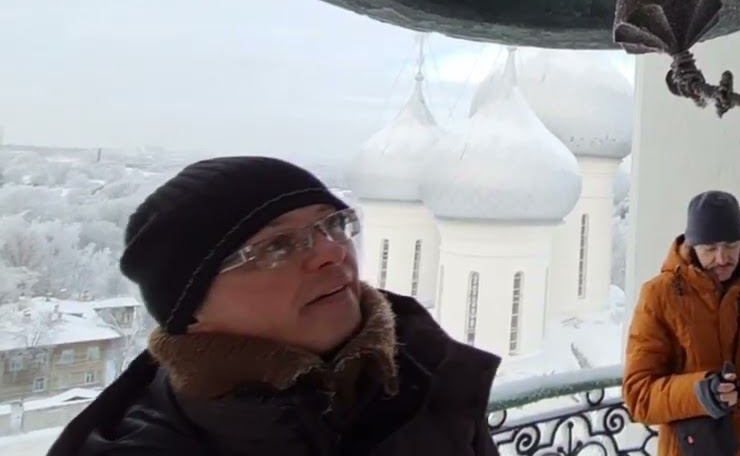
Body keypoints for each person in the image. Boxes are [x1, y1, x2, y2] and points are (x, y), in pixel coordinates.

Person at [48, 156, 500, 456]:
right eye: (278, 246)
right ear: (190, 309)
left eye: (334, 224)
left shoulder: (431, 376)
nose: (331, 252)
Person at [623, 190, 740, 456]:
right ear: (691, 245)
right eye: (710, 248)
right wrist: (699, 393)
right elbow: (638, 397)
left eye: (731, 245)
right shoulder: (659, 296)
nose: (723, 258)